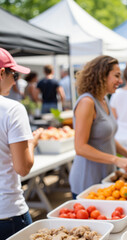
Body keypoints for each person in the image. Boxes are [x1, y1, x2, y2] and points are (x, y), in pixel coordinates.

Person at [69, 56, 127, 198]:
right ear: (101, 76)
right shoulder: (87, 102)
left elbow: (108, 137)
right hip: (87, 180)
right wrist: (116, 159)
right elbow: (80, 147)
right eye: (116, 76)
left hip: (105, 177)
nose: (120, 81)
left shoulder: (104, 99)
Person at [0, 48, 43, 239]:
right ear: (2, 73)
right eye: (14, 74)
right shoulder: (12, 109)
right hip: (7, 212)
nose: (15, 80)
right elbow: (23, 167)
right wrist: (32, 143)